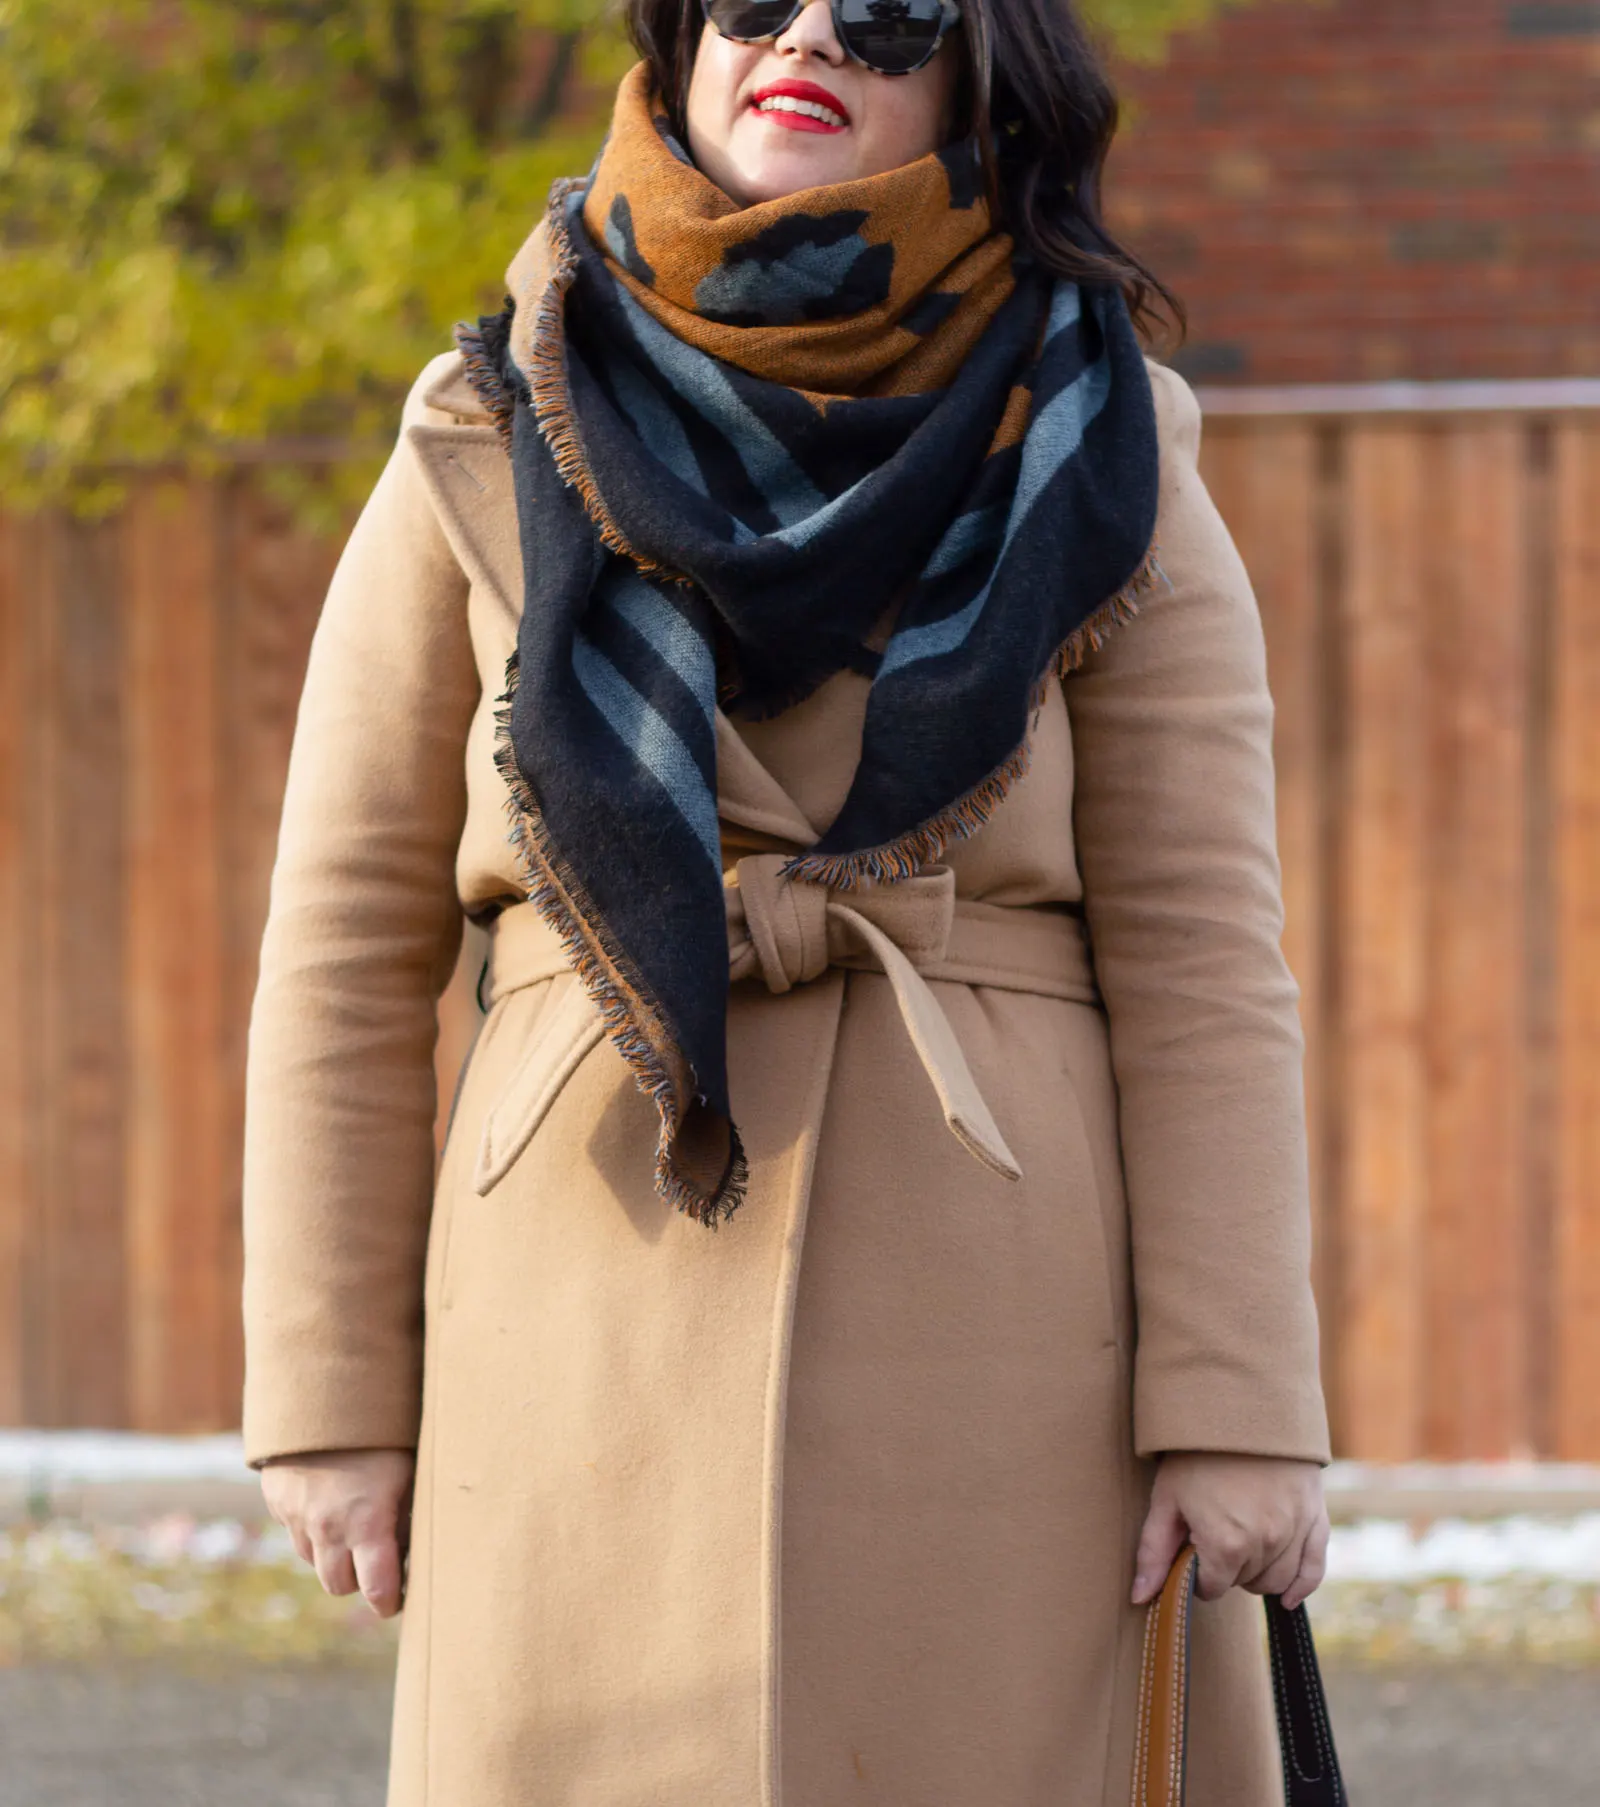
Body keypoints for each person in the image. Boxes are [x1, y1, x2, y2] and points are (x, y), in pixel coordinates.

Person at [242, 0, 1333, 1801]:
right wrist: (333, 1389)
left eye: (890, 8)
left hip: (1008, 1341)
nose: (808, 32)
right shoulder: (488, 416)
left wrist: (1235, 1409)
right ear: (681, 43)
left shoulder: (1108, 439)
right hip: (570, 1316)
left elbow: (1208, 959)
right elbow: (344, 948)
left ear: (977, 70)